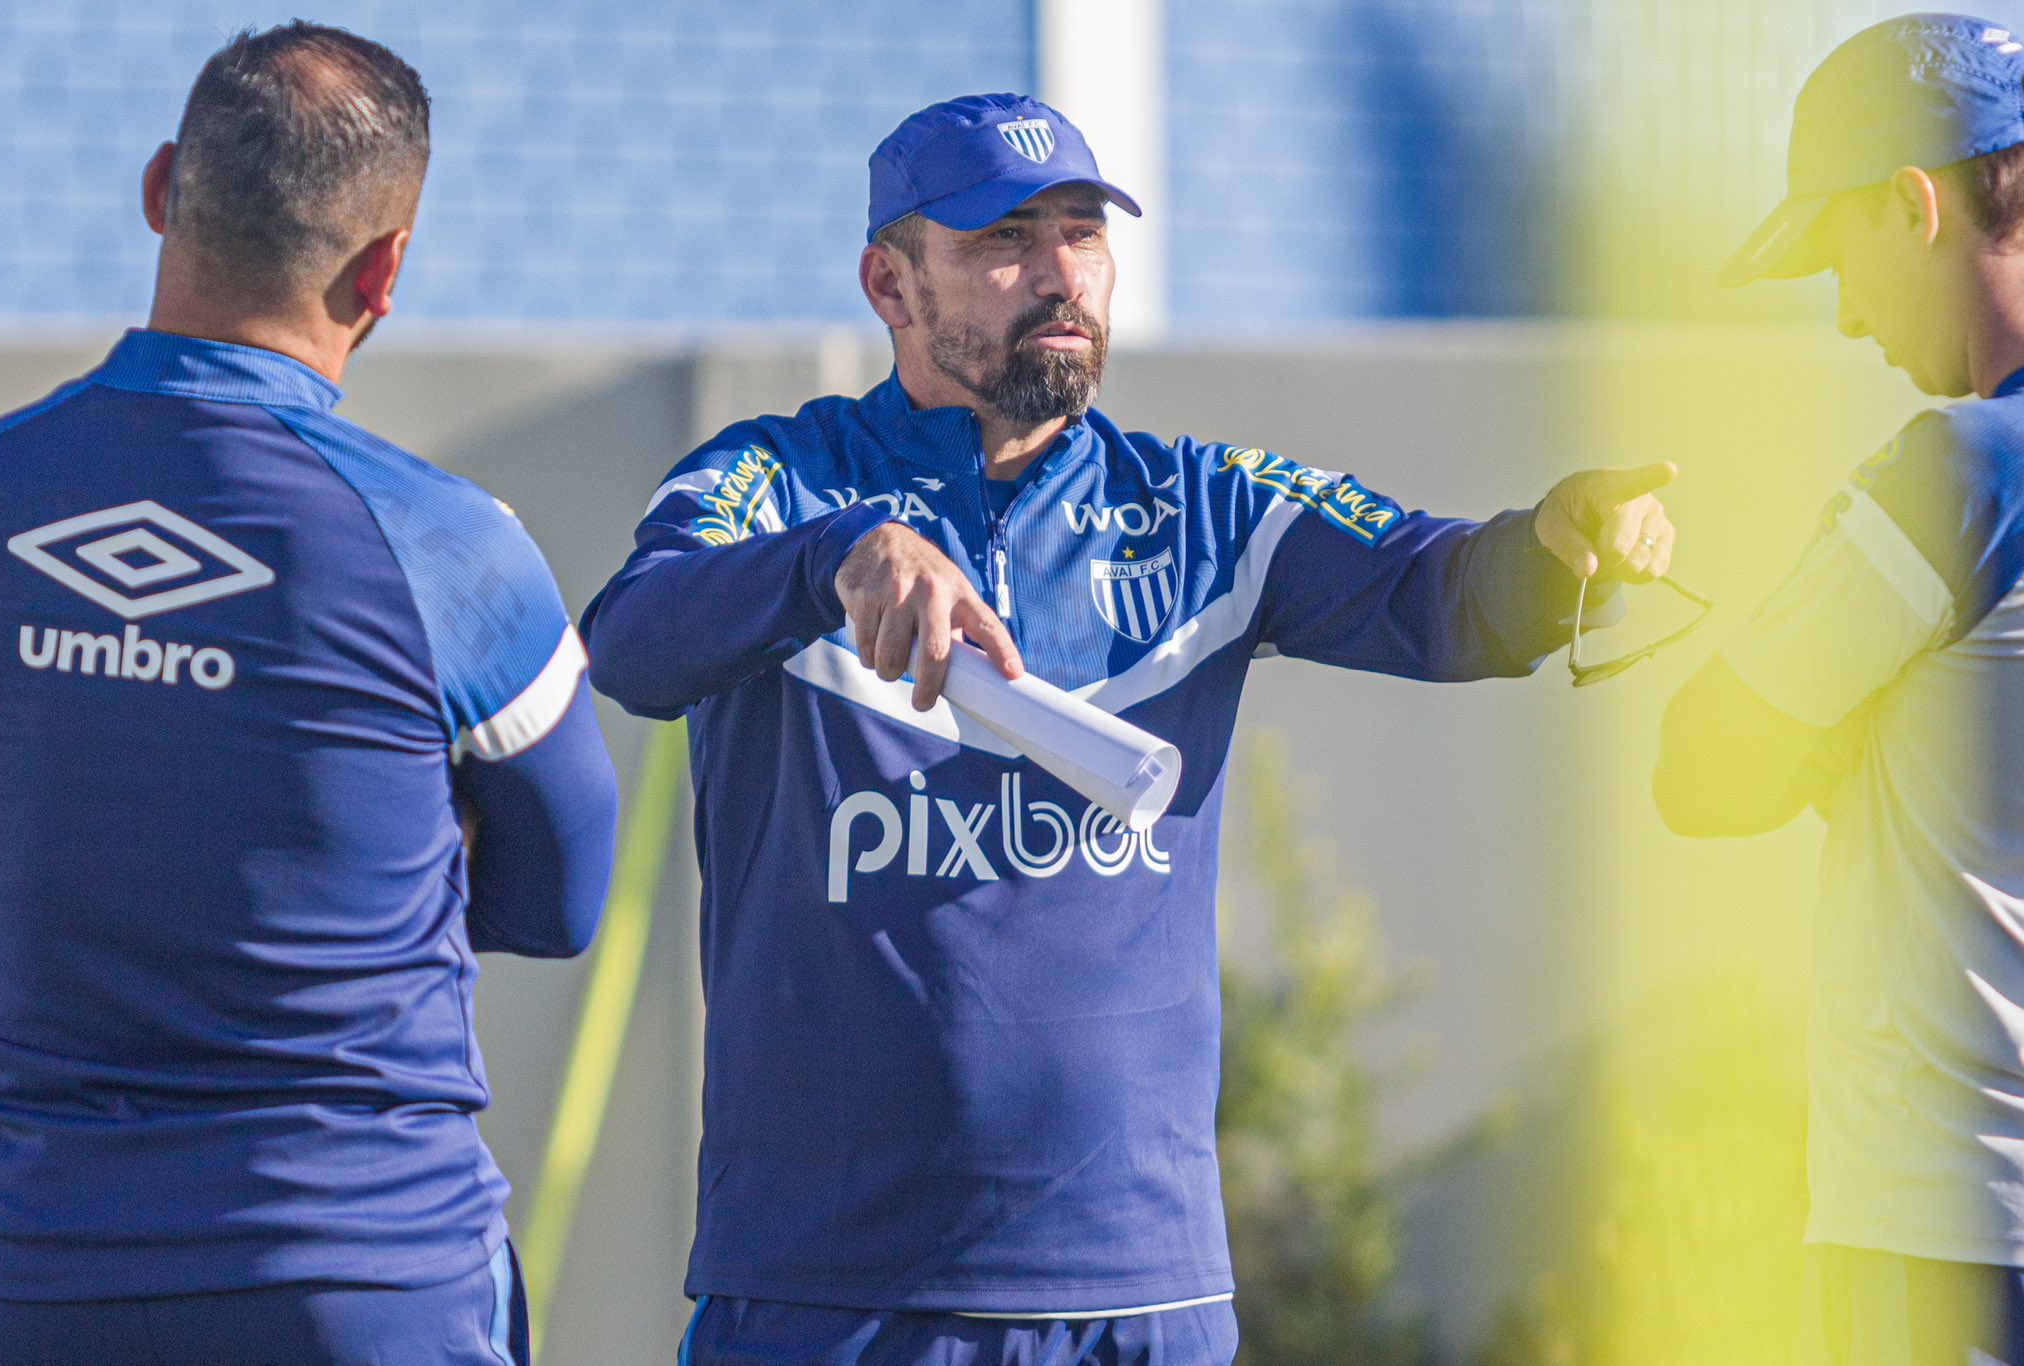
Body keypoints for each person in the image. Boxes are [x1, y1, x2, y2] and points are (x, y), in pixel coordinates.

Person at [584, 92, 1676, 1365]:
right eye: (1003, 240)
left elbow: (1441, 597)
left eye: (1081, 233)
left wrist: (1553, 544)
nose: (1057, 274)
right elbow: (634, 639)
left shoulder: (1204, 507)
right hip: (828, 1299)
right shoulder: (778, 481)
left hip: (1136, 1302)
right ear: (889, 282)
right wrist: (835, 557)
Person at [0, 23, 618, 1366]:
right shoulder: (451, 543)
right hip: (361, 1281)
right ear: (385, 270)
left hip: (28, 1277)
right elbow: (560, 902)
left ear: (160, 187)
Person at [1657, 14, 2024, 1364]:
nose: (1847, 312)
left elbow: (1701, 770)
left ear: (1913, 203)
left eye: (1839, 255)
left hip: (1949, 1232)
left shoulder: (1966, 469)